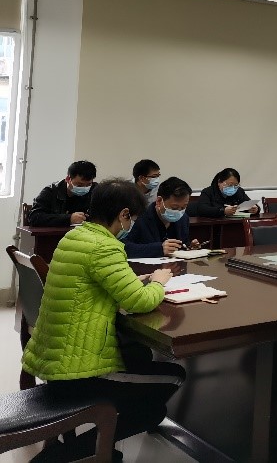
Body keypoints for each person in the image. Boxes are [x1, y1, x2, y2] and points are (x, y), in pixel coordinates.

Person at [22, 178, 185, 462]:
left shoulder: (74, 237)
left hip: (54, 359)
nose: (131, 224)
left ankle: (104, 437)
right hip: (79, 371)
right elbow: (138, 301)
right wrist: (158, 282)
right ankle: (61, 456)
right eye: (132, 218)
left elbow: (94, 284)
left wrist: (137, 280)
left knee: (139, 355)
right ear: (124, 214)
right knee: (170, 381)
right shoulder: (105, 246)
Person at [124, 176, 200, 258]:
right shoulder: (139, 217)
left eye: (183, 207)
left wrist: (189, 247)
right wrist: (159, 249)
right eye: (174, 208)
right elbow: (124, 247)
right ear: (159, 201)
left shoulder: (183, 218)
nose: (179, 211)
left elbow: (183, 244)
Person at [27, 160, 97, 227]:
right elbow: (34, 217)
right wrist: (69, 219)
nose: (84, 188)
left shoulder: (95, 191)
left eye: (88, 185)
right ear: (68, 179)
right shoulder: (50, 191)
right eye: (79, 185)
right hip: (54, 234)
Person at [193, 167, 258, 218]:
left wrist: (255, 209)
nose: (233, 188)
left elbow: (249, 203)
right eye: (230, 185)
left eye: (236, 185)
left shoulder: (239, 191)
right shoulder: (208, 192)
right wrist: (223, 211)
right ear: (219, 182)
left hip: (235, 224)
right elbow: (202, 209)